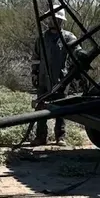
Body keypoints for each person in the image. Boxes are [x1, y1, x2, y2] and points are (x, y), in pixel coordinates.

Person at [31, 9, 87, 146]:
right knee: (41, 107)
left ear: (62, 21)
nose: (55, 21)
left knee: (60, 108)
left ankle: (60, 137)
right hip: (44, 78)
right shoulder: (42, 38)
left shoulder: (68, 37)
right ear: (49, 20)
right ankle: (40, 137)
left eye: (58, 19)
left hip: (61, 78)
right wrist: (34, 73)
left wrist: (81, 54)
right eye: (53, 19)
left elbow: (76, 48)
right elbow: (36, 57)